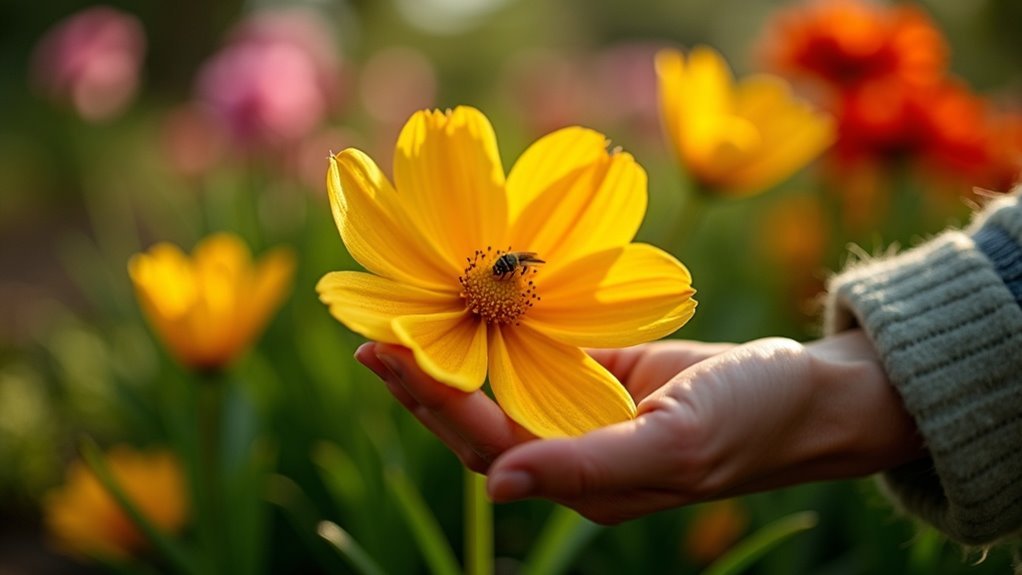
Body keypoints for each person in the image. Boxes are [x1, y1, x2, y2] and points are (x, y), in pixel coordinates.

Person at [354, 188, 1022, 546]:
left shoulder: (513, 295)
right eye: (498, 273)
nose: (504, 279)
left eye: (508, 274)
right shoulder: (468, 301)